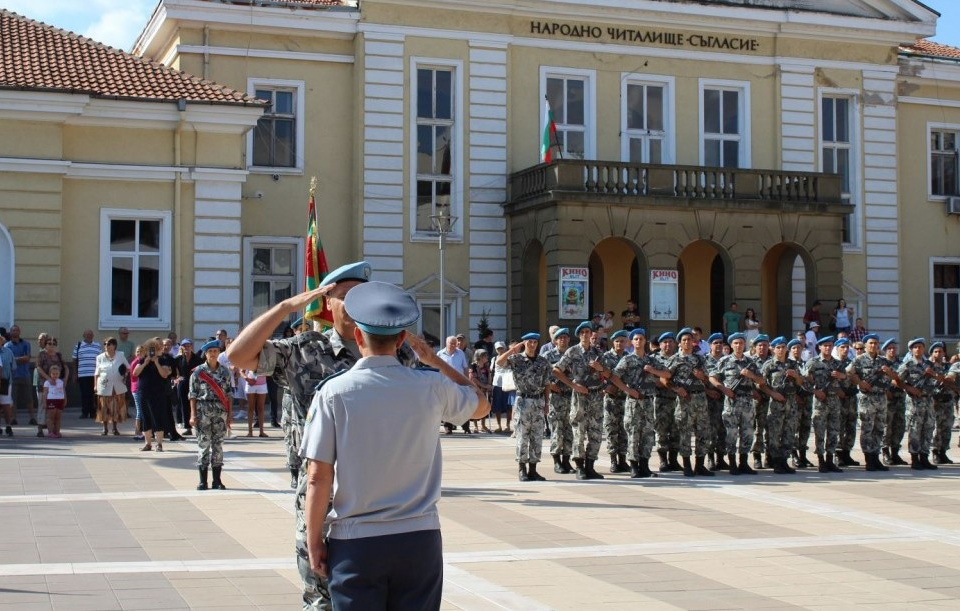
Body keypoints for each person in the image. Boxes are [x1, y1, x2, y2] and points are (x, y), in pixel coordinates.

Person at [302, 281, 488, 611]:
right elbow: (481, 405)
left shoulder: (332, 393)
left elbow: (318, 477)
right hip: (418, 538)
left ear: (358, 337)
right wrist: (436, 361)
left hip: (355, 541)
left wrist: (314, 539)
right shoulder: (430, 386)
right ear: (402, 340)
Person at [227, 261, 400, 611]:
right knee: (322, 600)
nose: (355, 304)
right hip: (324, 498)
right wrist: (283, 308)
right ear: (327, 304)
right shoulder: (306, 349)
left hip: (383, 495)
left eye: (362, 296)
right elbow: (239, 356)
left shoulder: (397, 353)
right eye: (345, 296)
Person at [611, 328, 670, 477]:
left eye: (641, 339)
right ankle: (634, 466)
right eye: (636, 339)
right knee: (633, 434)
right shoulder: (627, 359)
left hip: (649, 401)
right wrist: (627, 390)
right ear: (631, 342)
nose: (638, 341)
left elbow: (667, 373)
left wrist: (653, 371)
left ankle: (645, 465)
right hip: (633, 401)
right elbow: (614, 377)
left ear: (645, 341)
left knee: (648, 434)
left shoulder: (651, 360)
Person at [553, 322, 606, 480]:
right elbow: (556, 369)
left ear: (591, 334)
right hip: (580, 397)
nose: (585, 334)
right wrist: (573, 385)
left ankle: (590, 466)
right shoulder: (573, 351)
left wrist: (600, 368)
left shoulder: (598, 352)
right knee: (579, 432)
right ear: (579, 335)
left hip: (596, 396)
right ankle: (580, 467)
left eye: (587, 332)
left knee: (596, 432)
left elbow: (609, 373)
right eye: (582, 332)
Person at [496, 333, 552, 480]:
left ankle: (533, 469)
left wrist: (546, 403)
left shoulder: (543, 361)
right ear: (524, 343)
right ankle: (522, 468)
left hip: (538, 402)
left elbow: (547, 384)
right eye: (529, 342)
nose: (532, 345)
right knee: (522, 436)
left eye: (534, 342)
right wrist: (512, 350)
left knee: (537, 436)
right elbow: (499, 362)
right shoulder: (517, 359)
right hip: (523, 401)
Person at [709, 332, 766, 475]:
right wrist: (723, 388)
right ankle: (732, 462)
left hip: (747, 401)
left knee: (747, 432)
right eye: (736, 343)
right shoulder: (724, 361)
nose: (739, 346)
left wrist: (751, 375)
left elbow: (762, 381)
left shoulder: (750, 362)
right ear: (731, 345)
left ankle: (744, 462)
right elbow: (712, 377)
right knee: (731, 433)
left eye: (741, 343)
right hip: (731, 401)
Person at [665, 328, 713, 477]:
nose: (687, 342)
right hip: (685, 400)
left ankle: (700, 465)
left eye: (689, 340)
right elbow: (665, 379)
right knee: (685, 433)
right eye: (684, 340)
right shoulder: (674, 359)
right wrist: (677, 389)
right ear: (679, 343)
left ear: (694, 342)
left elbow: (708, 378)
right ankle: (687, 465)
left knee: (703, 433)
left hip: (700, 399)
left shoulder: (700, 359)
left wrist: (702, 376)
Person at [846, 334, 897, 471]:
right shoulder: (859, 360)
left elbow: (896, 377)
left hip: (881, 397)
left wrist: (889, 372)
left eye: (875, 343)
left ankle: (875, 456)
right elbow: (849, 373)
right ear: (865, 345)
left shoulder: (883, 361)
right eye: (871, 343)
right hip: (867, 398)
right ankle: (869, 458)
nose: (873, 346)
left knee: (879, 428)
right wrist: (860, 382)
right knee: (867, 429)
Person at [189, 339, 233, 490]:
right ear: (206, 354)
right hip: (203, 411)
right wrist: (193, 415)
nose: (213, 354)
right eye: (210, 352)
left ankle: (217, 480)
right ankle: (203, 481)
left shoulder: (225, 372)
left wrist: (230, 414)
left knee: (218, 445)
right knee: (203, 445)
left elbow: (228, 395)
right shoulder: (198, 372)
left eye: (216, 351)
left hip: (220, 412)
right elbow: (192, 395)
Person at [802, 336, 847, 473]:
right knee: (820, 432)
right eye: (825, 345)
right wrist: (815, 391)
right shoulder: (813, 363)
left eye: (829, 345)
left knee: (834, 431)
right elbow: (804, 382)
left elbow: (845, 379)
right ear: (819, 347)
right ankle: (821, 460)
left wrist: (841, 376)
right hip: (820, 401)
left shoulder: (837, 364)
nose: (827, 348)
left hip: (834, 400)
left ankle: (830, 459)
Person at [896, 338, 941, 470]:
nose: (918, 349)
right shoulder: (907, 365)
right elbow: (897, 381)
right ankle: (915, 458)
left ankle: (924, 457)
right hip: (914, 402)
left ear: (924, 348)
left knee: (928, 429)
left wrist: (933, 374)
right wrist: (910, 389)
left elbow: (942, 378)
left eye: (920, 347)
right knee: (915, 430)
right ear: (911, 350)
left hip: (928, 401)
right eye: (915, 347)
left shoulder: (930, 364)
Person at [760, 337, 802, 474]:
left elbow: (801, 383)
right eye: (778, 347)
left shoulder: (793, 364)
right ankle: (776, 461)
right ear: (773, 349)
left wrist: (796, 376)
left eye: (783, 347)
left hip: (791, 403)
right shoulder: (769, 365)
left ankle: (784, 460)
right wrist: (772, 394)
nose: (781, 350)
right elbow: (760, 384)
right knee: (774, 433)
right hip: (776, 403)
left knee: (789, 433)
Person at [133, 338, 174, 452]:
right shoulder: (142, 360)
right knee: (145, 417)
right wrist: (145, 362)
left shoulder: (162, 360)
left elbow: (164, 375)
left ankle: (159, 444)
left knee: (158, 417)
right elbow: (135, 373)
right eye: (150, 349)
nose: (152, 351)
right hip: (144, 392)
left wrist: (156, 362)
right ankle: (148, 443)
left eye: (155, 349)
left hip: (158, 393)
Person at [542, 328, 573, 473]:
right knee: (557, 430)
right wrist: (551, 385)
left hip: (572, 397)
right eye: (560, 337)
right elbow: (542, 375)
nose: (563, 340)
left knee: (570, 430)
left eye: (565, 337)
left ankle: (567, 461)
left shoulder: (573, 355)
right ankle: (557, 461)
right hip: (556, 398)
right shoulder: (548, 355)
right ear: (555, 340)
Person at [599, 330, 630, 473]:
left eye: (622, 341)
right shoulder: (605, 357)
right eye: (617, 341)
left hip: (625, 398)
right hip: (611, 399)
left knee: (624, 430)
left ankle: (623, 460)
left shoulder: (629, 358)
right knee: (611, 429)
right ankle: (613, 461)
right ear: (613, 342)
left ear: (626, 342)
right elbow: (598, 376)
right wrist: (605, 388)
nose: (619, 344)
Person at [94, 337, 129, 436]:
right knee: (104, 407)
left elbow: (128, 367)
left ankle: (115, 428)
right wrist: (95, 386)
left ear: (114, 346)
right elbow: (97, 373)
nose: (106, 346)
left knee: (116, 407)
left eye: (109, 344)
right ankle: (104, 428)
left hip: (117, 385)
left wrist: (124, 376)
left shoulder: (120, 355)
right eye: (105, 344)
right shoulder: (100, 357)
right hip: (104, 385)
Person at [4, 325, 32, 427]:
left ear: (19, 332)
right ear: (10, 332)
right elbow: (8, 361)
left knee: (29, 397)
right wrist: (20, 359)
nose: (15, 332)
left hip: (25, 374)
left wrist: (14, 359)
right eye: (13, 330)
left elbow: (27, 358)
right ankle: (13, 418)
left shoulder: (26, 344)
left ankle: (32, 417)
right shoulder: (7, 346)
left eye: (17, 330)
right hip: (12, 376)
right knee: (13, 399)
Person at [173, 339, 202, 436]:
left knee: (196, 405)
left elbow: (202, 371)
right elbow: (172, 372)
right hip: (183, 383)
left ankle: (198, 426)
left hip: (195, 383)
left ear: (191, 347)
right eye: (184, 346)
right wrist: (175, 379)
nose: (186, 348)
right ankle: (188, 427)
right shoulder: (178, 359)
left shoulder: (197, 359)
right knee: (184, 405)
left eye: (188, 346)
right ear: (182, 347)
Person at [72, 329, 102, 419]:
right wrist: (74, 373)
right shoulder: (78, 345)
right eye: (87, 334)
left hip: (95, 374)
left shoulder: (97, 345)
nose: (89, 336)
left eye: (90, 334)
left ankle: (93, 412)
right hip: (83, 374)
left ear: (93, 336)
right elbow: (74, 360)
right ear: (83, 336)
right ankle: (84, 412)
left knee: (94, 394)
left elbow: (101, 360)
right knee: (85, 394)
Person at [468, 349, 493, 433]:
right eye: (484, 356)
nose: (486, 357)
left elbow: (489, 375)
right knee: (476, 407)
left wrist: (489, 385)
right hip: (476, 389)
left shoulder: (486, 366)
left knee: (484, 407)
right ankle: (475, 426)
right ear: (480, 357)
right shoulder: (473, 366)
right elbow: (473, 379)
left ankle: (483, 425)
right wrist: (483, 386)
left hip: (485, 389)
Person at [242, 367, 269, 437]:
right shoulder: (248, 357)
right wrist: (247, 379)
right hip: (250, 384)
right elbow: (241, 371)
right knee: (251, 408)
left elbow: (269, 370)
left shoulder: (264, 357)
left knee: (261, 408)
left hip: (262, 384)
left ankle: (262, 432)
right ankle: (250, 432)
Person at [41, 364, 66, 438]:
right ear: (50, 374)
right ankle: (50, 432)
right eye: (53, 374)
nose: (55, 375)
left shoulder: (61, 382)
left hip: (60, 400)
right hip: (51, 400)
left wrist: (65, 400)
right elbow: (45, 393)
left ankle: (57, 431)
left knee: (58, 417)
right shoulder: (47, 382)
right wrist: (44, 402)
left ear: (59, 374)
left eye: (57, 374)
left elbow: (63, 391)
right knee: (51, 417)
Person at [128, 345, 145, 441]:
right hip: (137, 388)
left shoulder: (141, 361)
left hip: (140, 388)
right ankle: (137, 432)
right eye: (138, 351)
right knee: (139, 411)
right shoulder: (136, 362)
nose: (139, 353)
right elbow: (134, 375)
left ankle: (140, 431)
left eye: (141, 351)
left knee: (141, 411)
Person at [0, 340, 14, 436]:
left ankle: (8, 426)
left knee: (6, 405)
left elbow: (13, 367)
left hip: (5, 382)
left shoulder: (8, 352)